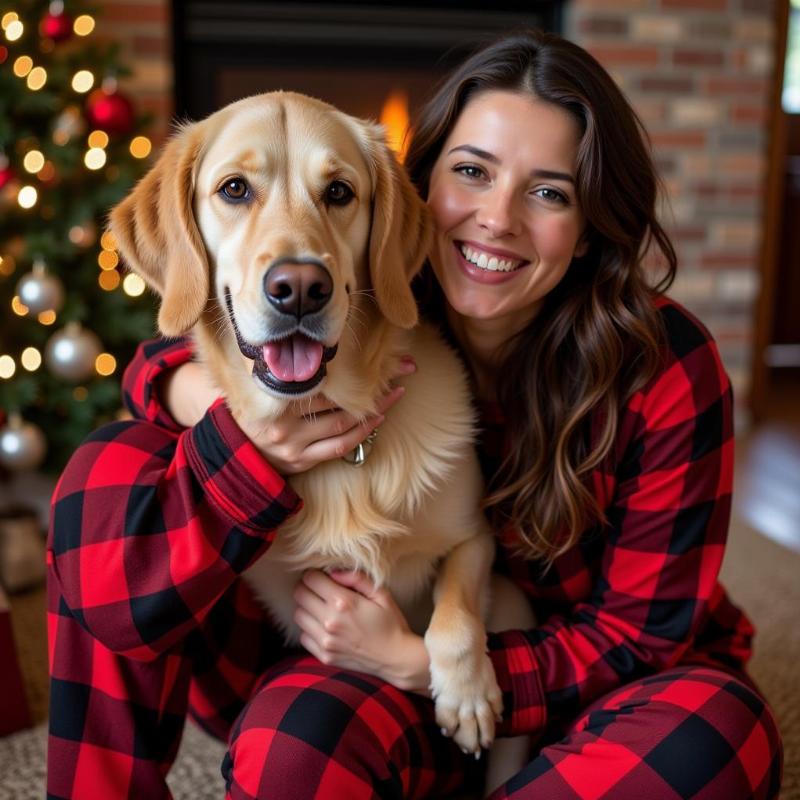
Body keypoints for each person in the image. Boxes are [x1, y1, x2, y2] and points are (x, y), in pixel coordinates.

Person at [47, 29, 783, 800]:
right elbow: (174, 351)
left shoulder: (663, 365)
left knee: (720, 732)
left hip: (586, 703)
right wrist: (206, 403)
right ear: (423, 194)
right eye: (472, 173)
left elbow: (641, 638)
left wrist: (422, 663)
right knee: (115, 492)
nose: (495, 220)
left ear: (592, 218)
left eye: (548, 191)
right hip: (373, 692)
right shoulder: (386, 289)